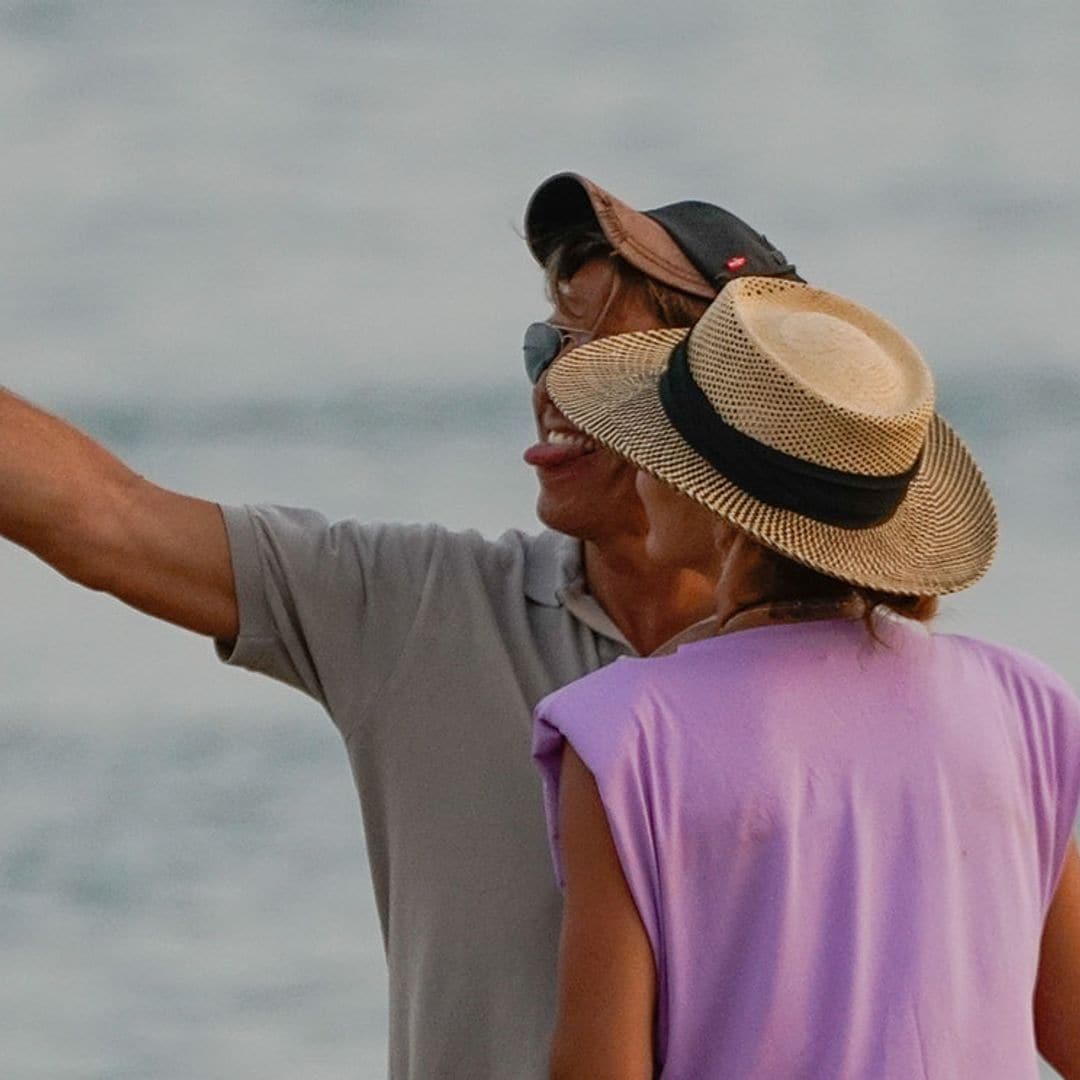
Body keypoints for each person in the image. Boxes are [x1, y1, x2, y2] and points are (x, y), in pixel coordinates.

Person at [0, 173, 802, 1078]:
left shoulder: (855, 675)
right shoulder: (418, 607)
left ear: (735, 409)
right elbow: (105, 521)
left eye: (600, 360)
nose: (552, 387)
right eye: (548, 346)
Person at [532, 277, 1080, 1079]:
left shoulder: (626, 733)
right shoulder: (1020, 703)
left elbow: (598, 1066)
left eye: (659, 444)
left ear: (717, 504)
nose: (639, 466)